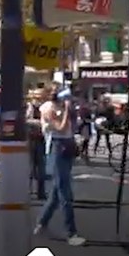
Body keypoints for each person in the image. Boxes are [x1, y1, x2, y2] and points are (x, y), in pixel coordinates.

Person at [34, 87, 85, 246]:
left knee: (57, 191)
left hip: (67, 145)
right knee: (64, 192)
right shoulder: (48, 109)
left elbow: (73, 127)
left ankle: (41, 223)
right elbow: (60, 128)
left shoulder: (61, 108)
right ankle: (71, 233)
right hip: (57, 147)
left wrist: (71, 113)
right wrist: (67, 112)